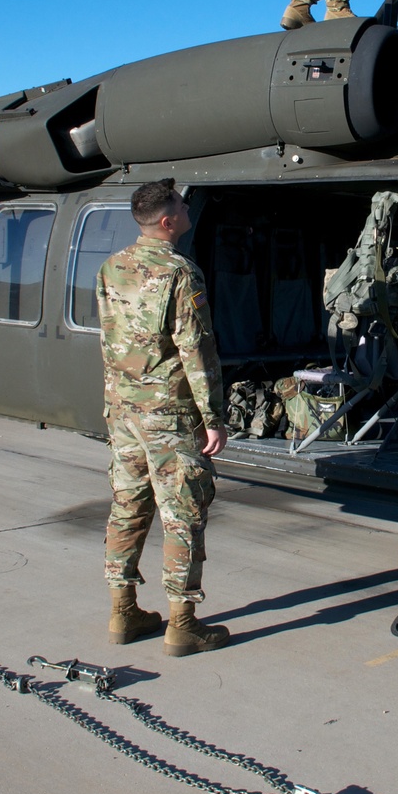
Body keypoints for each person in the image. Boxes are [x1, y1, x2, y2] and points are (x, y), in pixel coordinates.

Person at [97, 178, 230, 656]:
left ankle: (123, 612)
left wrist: (116, 402)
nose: (186, 206)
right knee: (182, 516)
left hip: (123, 412)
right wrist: (213, 417)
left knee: (127, 507)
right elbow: (196, 351)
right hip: (169, 417)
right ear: (168, 220)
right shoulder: (180, 272)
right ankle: (182, 624)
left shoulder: (111, 268)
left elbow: (112, 341)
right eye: (180, 202)